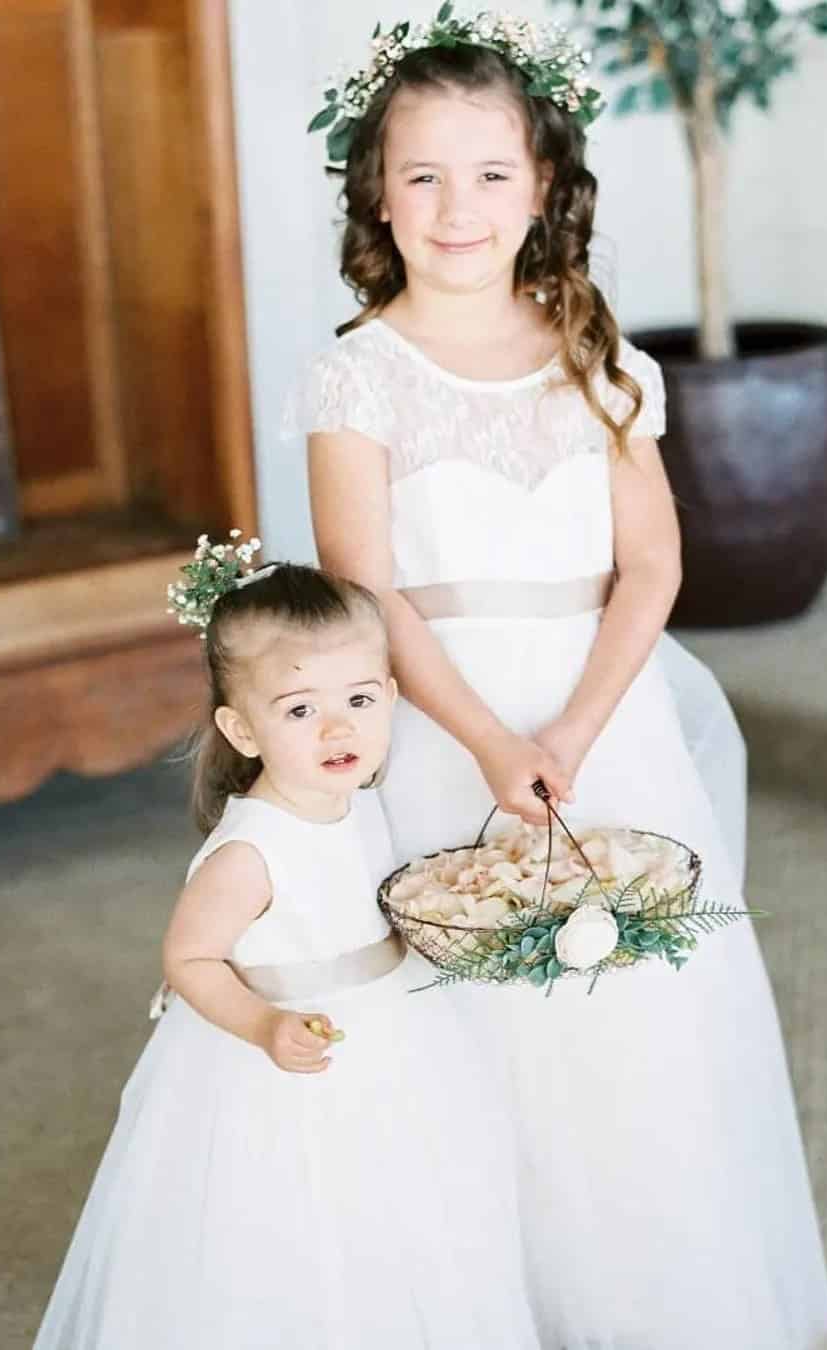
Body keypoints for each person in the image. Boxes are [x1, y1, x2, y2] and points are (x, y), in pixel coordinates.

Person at [296, 12, 827, 1349]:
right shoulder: (357, 376)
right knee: (462, 1024)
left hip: (602, 720)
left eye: (489, 175)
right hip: (436, 725)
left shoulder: (600, 356)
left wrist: (577, 727)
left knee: (632, 1030)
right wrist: (487, 740)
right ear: (377, 191)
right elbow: (369, 593)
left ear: (542, 189)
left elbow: (651, 564)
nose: (456, 207)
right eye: (422, 175)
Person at [33, 544, 540, 1350]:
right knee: (290, 1226)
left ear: (393, 697)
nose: (340, 727)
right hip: (284, 1056)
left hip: (395, 1032)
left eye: (361, 699)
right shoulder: (250, 852)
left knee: (405, 1209)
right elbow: (191, 960)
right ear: (242, 727)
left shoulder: (359, 796)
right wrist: (266, 1027)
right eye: (300, 710)